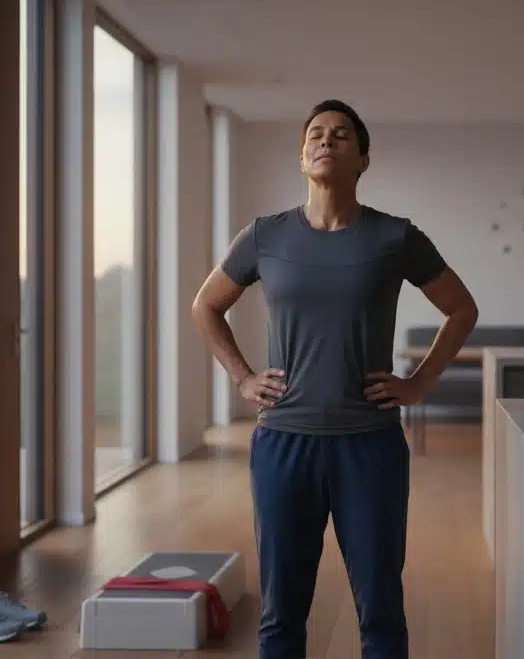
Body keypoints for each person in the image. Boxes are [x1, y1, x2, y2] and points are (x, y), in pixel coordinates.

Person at [191, 99, 478, 659]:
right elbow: (206, 307)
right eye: (316, 134)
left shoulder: (395, 237)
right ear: (302, 156)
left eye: (342, 135)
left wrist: (417, 384)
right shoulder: (264, 236)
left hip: (369, 446)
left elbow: (461, 309)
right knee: (281, 615)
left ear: (363, 159)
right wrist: (242, 376)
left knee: (381, 612)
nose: (327, 141)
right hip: (283, 443)